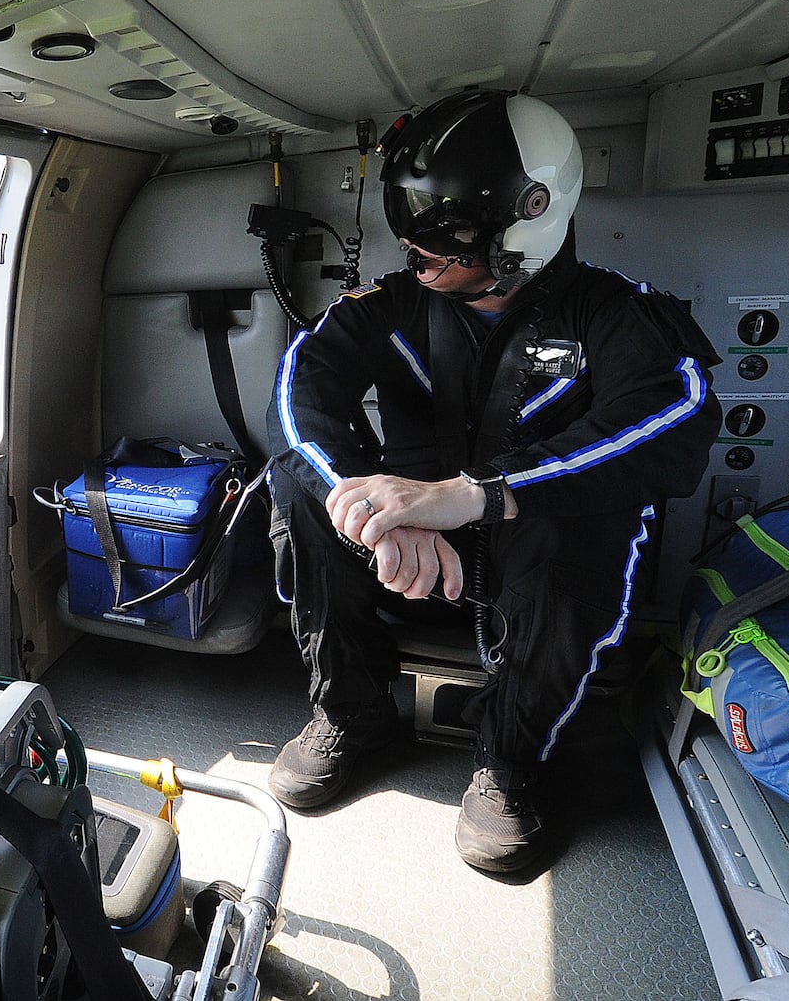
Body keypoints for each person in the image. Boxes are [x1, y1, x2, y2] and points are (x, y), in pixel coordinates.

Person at [264, 88, 721, 872]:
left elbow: (672, 422)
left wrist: (477, 494)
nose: (418, 252)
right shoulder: (390, 305)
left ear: (527, 221)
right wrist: (377, 508)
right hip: (408, 551)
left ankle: (512, 759)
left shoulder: (617, 314)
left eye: (447, 237)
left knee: (601, 511)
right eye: (410, 231)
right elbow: (300, 390)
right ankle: (352, 713)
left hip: (533, 548)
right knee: (298, 482)